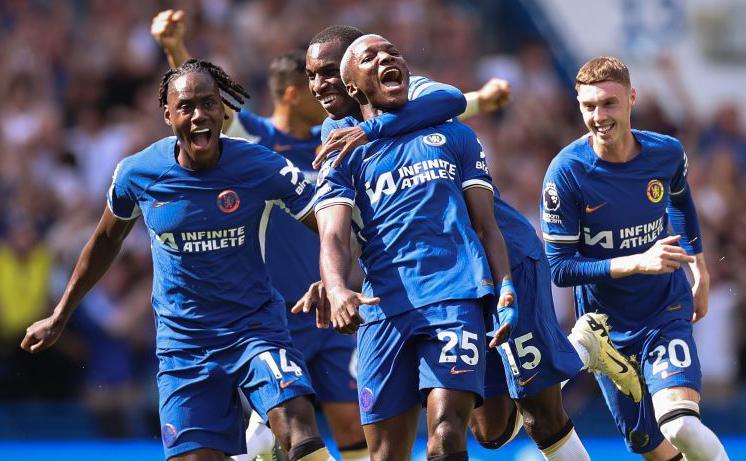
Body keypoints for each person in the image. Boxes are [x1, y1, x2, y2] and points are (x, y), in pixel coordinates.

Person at [299, 26, 643, 461]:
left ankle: (580, 348)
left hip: (503, 258)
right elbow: (346, 226)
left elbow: (453, 101)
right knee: (492, 432)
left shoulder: (417, 100)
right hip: (425, 285)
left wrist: (378, 129)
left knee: (540, 412)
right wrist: (331, 281)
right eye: (312, 75)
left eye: (328, 71)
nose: (320, 84)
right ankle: (563, 355)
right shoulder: (337, 133)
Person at [20, 59, 336, 461]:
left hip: (255, 330)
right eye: (186, 106)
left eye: (208, 103)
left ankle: (269, 441)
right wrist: (60, 314)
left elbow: (327, 218)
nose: (199, 115)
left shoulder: (261, 165)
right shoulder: (138, 173)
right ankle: (256, 450)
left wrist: (336, 279)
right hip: (184, 344)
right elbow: (103, 241)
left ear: (224, 110)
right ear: (168, 114)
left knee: (300, 430)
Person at [151, 11, 366, 460]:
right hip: (280, 309)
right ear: (292, 91)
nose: (323, 92)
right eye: (311, 83)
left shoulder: (334, 140)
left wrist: (479, 99)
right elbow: (205, 104)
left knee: (348, 417)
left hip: (331, 297)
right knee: (274, 428)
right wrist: (175, 46)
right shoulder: (259, 142)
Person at [314, 34, 519, 461]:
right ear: (352, 86)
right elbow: (333, 233)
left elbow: (486, 225)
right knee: (386, 455)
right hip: (383, 311)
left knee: (445, 437)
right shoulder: (341, 150)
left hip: (453, 297)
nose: (386, 58)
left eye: (391, 53)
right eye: (369, 58)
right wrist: (335, 287)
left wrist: (505, 287)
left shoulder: (450, 135)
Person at [541, 55, 730, 461]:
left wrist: (700, 268)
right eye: (589, 106)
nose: (599, 116)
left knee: (680, 425)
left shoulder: (665, 153)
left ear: (631, 98)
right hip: (606, 333)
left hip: (664, 308)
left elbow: (681, 201)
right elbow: (560, 268)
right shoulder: (566, 173)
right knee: (650, 447)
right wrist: (637, 262)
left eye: (609, 103)